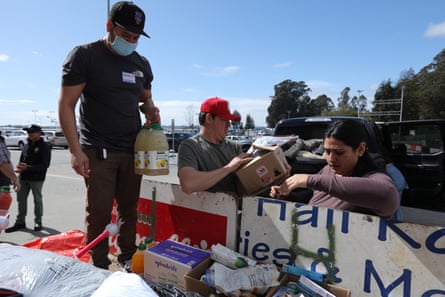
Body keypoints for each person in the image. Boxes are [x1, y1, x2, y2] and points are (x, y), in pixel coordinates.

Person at [58, 1, 160, 269]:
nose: (131, 41)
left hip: (131, 149)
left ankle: (127, 259)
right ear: (109, 26)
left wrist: (150, 109)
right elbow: (66, 104)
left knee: (129, 210)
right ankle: (99, 264)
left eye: (136, 37)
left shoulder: (141, 64)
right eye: (126, 35)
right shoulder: (84, 56)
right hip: (98, 148)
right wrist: (74, 150)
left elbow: (145, 98)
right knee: (100, 212)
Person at [270, 119, 399, 219]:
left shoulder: (374, 177)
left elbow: (388, 197)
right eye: (327, 151)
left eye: (339, 152)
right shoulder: (327, 170)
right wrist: (288, 197)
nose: (331, 159)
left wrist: (309, 179)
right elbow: (313, 199)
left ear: (360, 149)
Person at [178, 97, 252, 195]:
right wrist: (230, 167)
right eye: (225, 120)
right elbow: (188, 184)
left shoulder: (234, 147)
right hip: (206, 209)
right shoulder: (190, 146)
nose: (229, 125)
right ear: (209, 118)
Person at [6, 124, 51, 232]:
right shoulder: (26, 145)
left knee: (37, 200)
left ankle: (38, 222)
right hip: (23, 177)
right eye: (28, 132)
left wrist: (28, 167)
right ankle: (20, 222)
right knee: (21, 200)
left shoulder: (44, 146)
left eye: (32, 132)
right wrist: (18, 168)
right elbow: (22, 160)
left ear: (39, 133)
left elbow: (45, 165)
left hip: (37, 178)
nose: (29, 134)